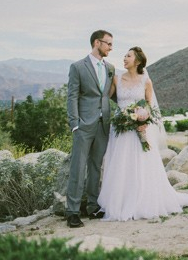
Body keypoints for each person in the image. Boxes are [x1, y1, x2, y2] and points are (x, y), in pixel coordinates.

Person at [97, 46, 188, 221]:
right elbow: (105, 98)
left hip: (140, 129)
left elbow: (149, 105)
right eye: (124, 56)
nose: (124, 58)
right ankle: (119, 201)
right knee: (120, 163)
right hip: (121, 128)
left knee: (141, 162)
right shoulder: (117, 79)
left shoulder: (146, 81)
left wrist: (143, 119)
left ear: (137, 61)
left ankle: (142, 199)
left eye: (128, 56)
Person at [65, 30, 115, 228]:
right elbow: (72, 96)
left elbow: (110, 95)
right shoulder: (78, 67)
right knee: (78, 167)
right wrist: (74, 123)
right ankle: (72, 212)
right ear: (97, 43)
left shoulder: (110, 68)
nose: (111, 47)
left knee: (96, 167)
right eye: (108, 43)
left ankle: (92, 207)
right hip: (83, 125)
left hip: (104, 125)